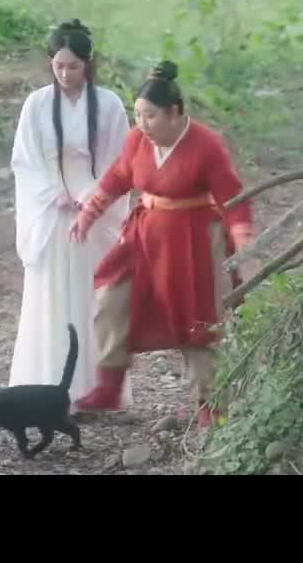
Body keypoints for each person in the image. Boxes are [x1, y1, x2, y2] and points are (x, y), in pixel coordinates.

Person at [68, 60, 257, 427]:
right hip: (144, 236)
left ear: (174, 113)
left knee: (197, 319)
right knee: (112, 297)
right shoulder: (137, 140)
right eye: (138, 115)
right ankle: (109, 385)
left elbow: (233, 198)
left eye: (150, 116)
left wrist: (243, 245)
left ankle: (211, 403)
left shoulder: (206, 145)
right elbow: (118, 176)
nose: (142, 124)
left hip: (192, 243)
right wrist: (89, 213)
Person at [7, 19, 133, 410]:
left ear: (88, 64)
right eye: (58, 66)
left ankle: (97, 390)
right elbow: (25, 162)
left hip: (95, 212)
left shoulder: (109, 105)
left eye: (73, 66)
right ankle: (44, 392)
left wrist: (93, 198)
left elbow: (120, 164)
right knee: (51, 301)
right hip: (52, 212)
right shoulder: (36, 104)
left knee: (94, 300)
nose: (65, 74)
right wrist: (54, 194)